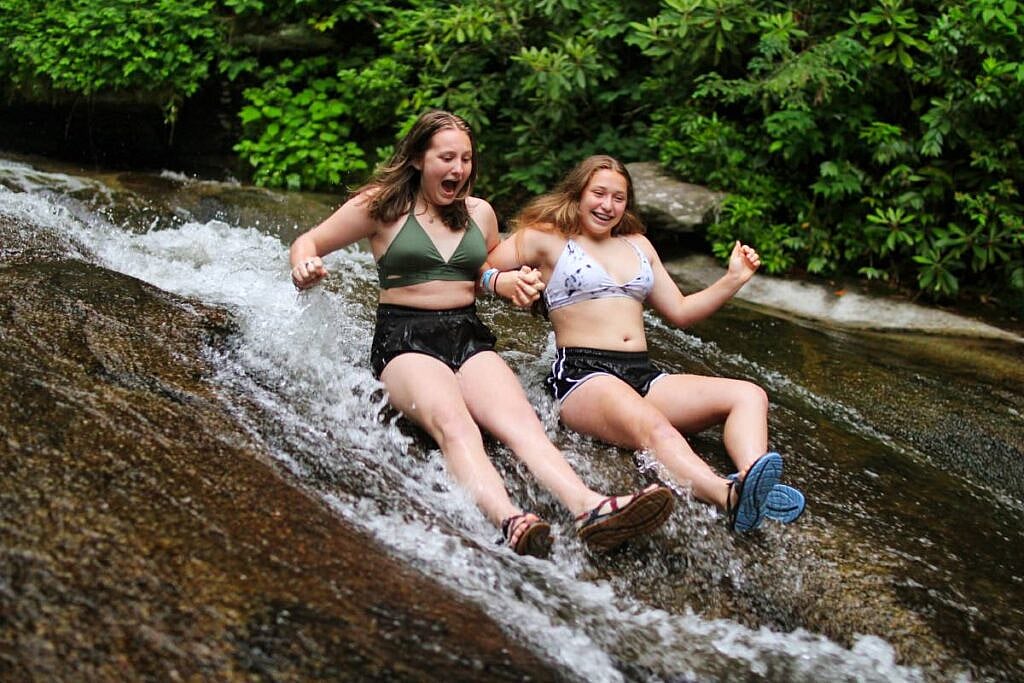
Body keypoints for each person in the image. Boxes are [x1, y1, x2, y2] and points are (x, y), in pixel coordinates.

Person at [289, 113, 674, 558]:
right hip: (404, 338)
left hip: (467, 332)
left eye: (466, 159)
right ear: (417, 158)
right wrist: (304, 268)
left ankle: (589, 508)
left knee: (523, 425)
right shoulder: (380, 206)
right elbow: (308, 242)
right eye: (447, 157)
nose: (458, 169)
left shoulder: (479, 213)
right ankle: (509, 520)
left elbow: (482, 273)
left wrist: (507, 284)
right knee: (455, 424)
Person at [486, 154, 805, 532]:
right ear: (578, 193)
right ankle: (728, 497)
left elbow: (682, 311)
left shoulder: (638, 244)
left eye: (618, 198)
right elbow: (483, 263)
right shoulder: (546, 239)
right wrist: (504, 283)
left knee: (749, 395)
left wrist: (733, 278)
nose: (607, 206)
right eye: (599, 194)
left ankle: (753, 480)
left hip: (643, 375)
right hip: (584, 376)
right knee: (654, 428)